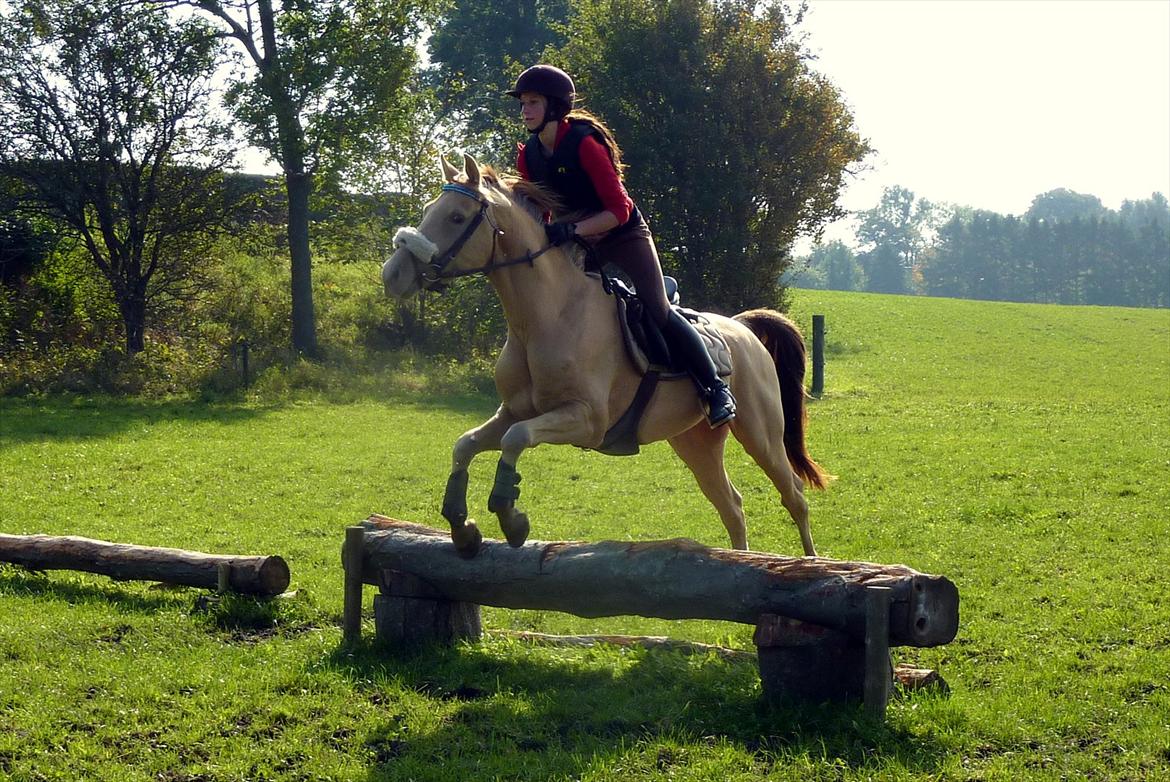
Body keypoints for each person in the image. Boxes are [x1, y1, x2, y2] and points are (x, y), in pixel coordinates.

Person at [506, 64, 736, 428]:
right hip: (578, 241)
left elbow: (619, 209)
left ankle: (715, 390)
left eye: (532, 102)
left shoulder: (583, 143)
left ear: (554, 106)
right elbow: (539, 212)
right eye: (522, 104)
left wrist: (574, 229)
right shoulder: (528, 155)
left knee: (657, 309)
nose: (525, 110)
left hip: (623, 235)